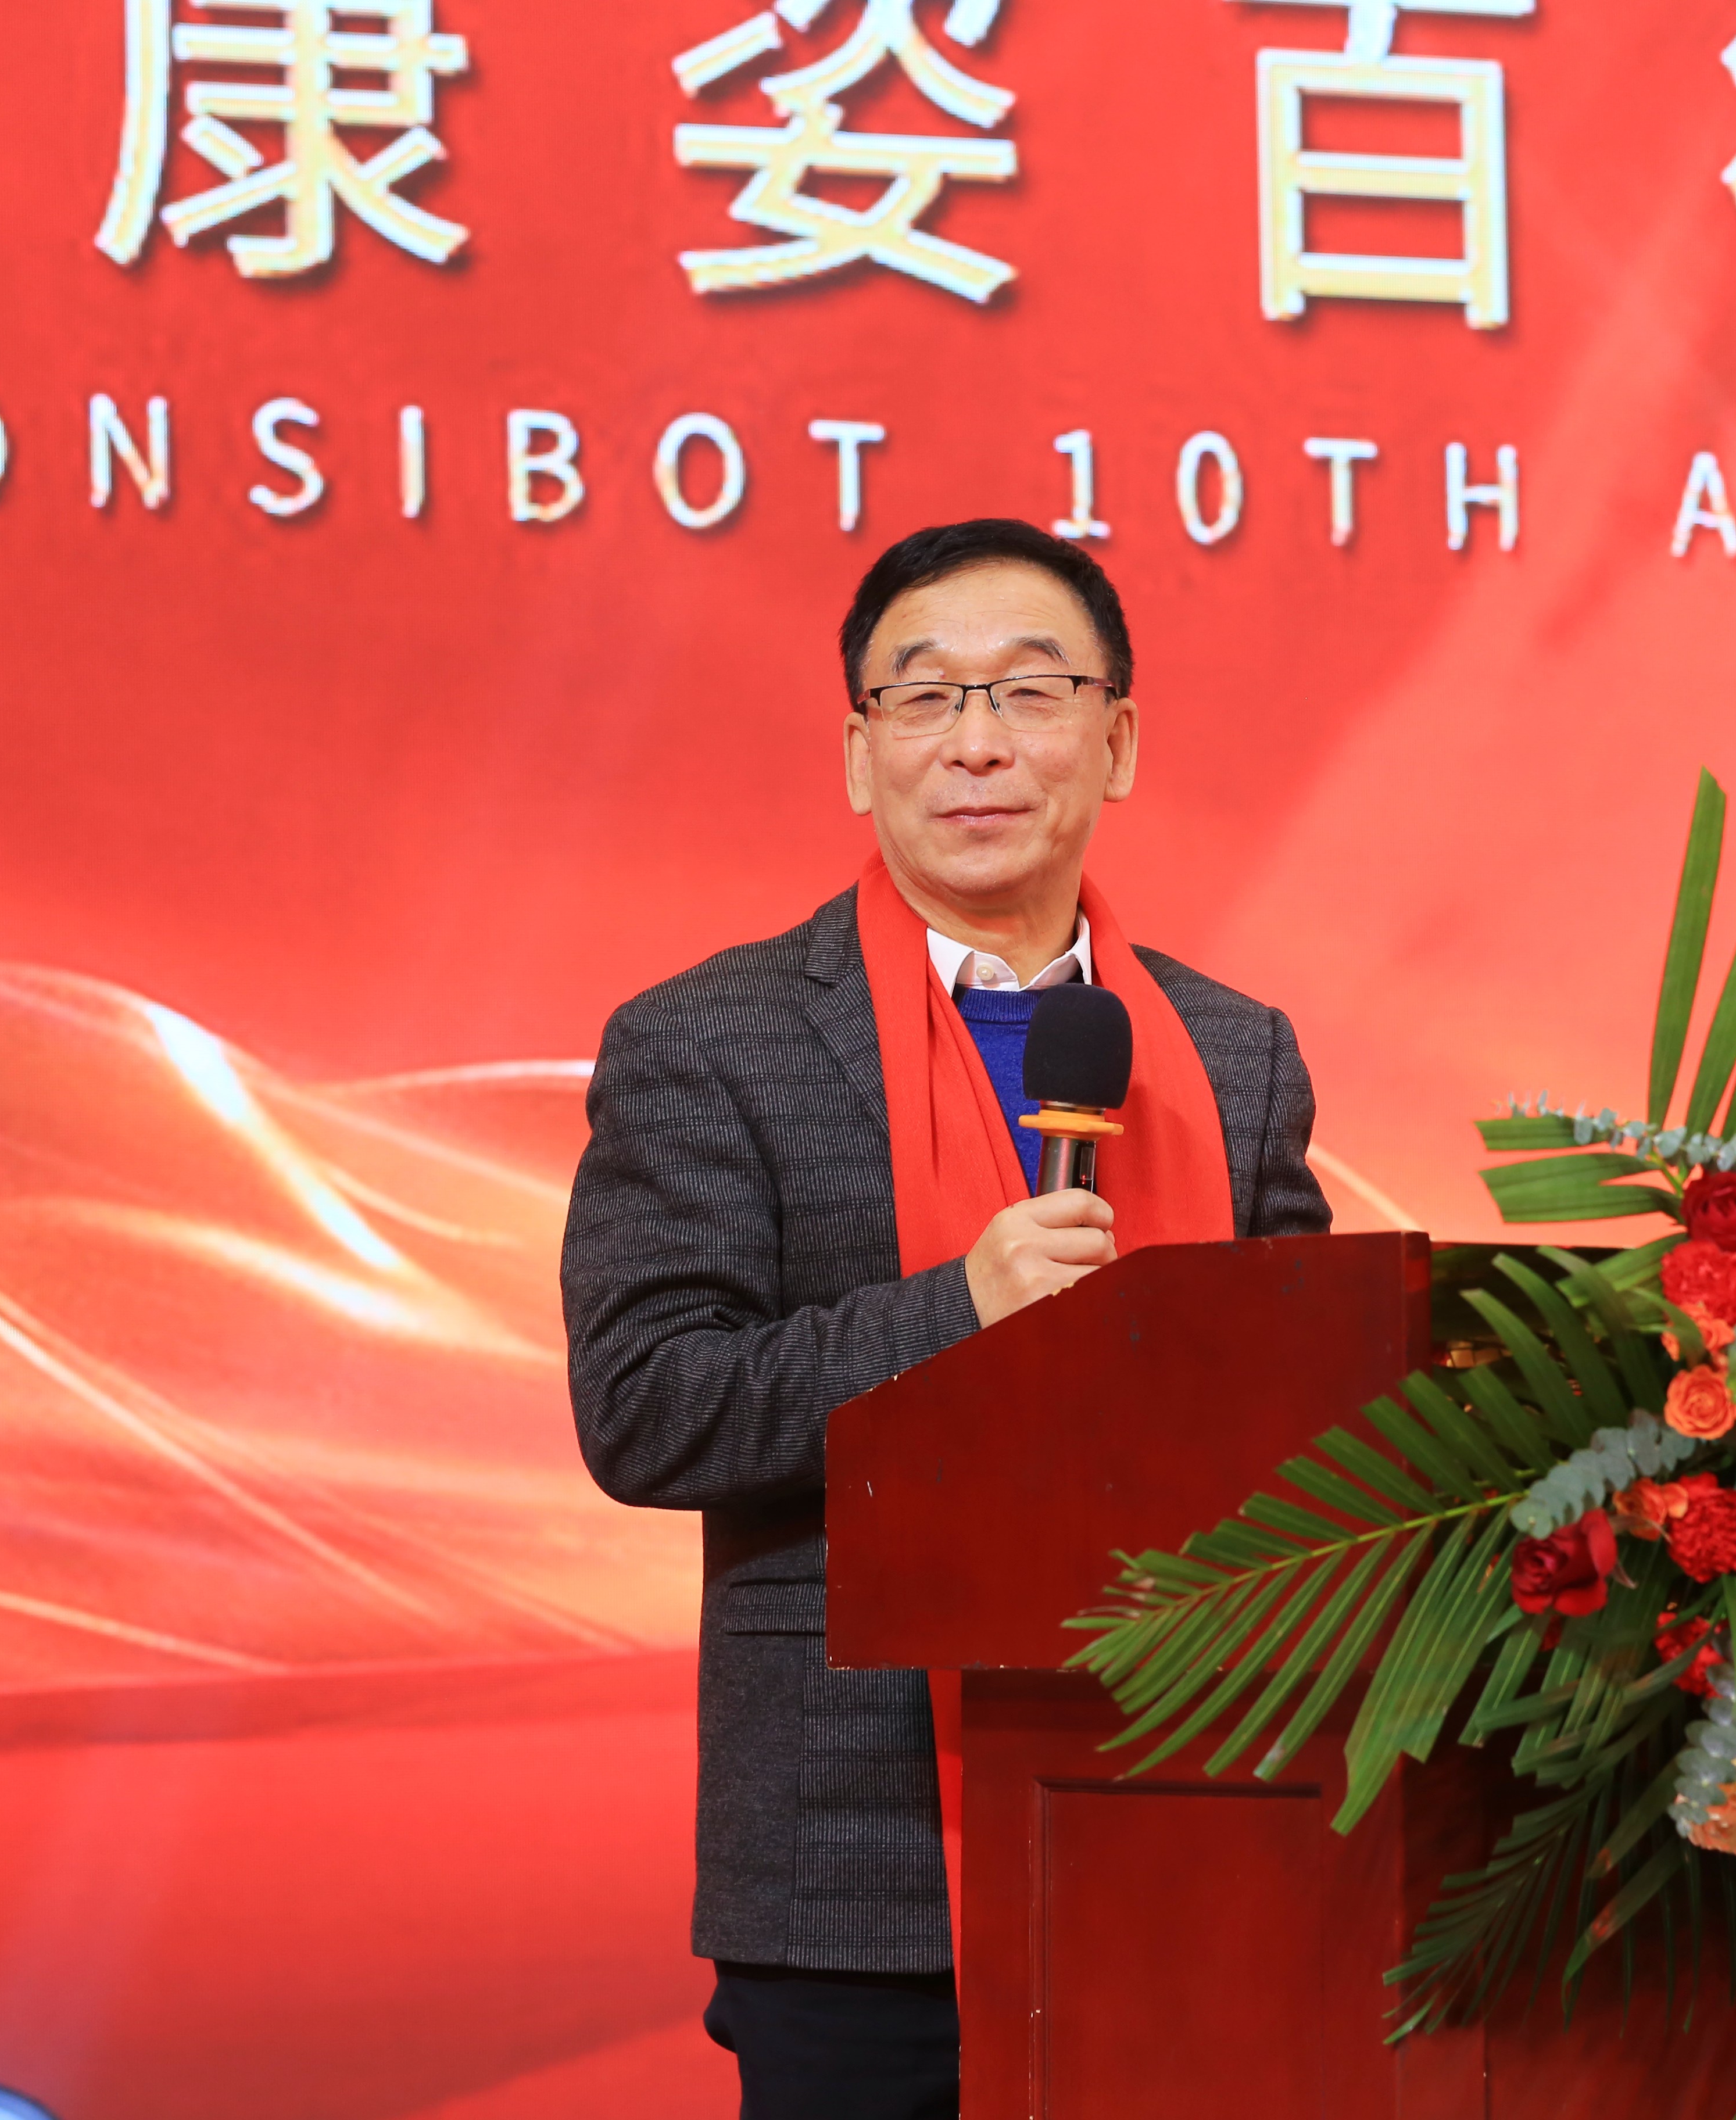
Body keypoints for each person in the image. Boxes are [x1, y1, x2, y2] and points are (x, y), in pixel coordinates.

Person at [561, 518, 1331, 2118]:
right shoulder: (710, 1042)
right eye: (924, 698)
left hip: (1197, 1814)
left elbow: (1311, 1408)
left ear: (1116, 740)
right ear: (862, 757)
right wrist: (961, 1311)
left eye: (1031, 692)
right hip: (858, 1870)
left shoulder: (1233, 1051)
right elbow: (647, 1408)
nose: (977, 742)